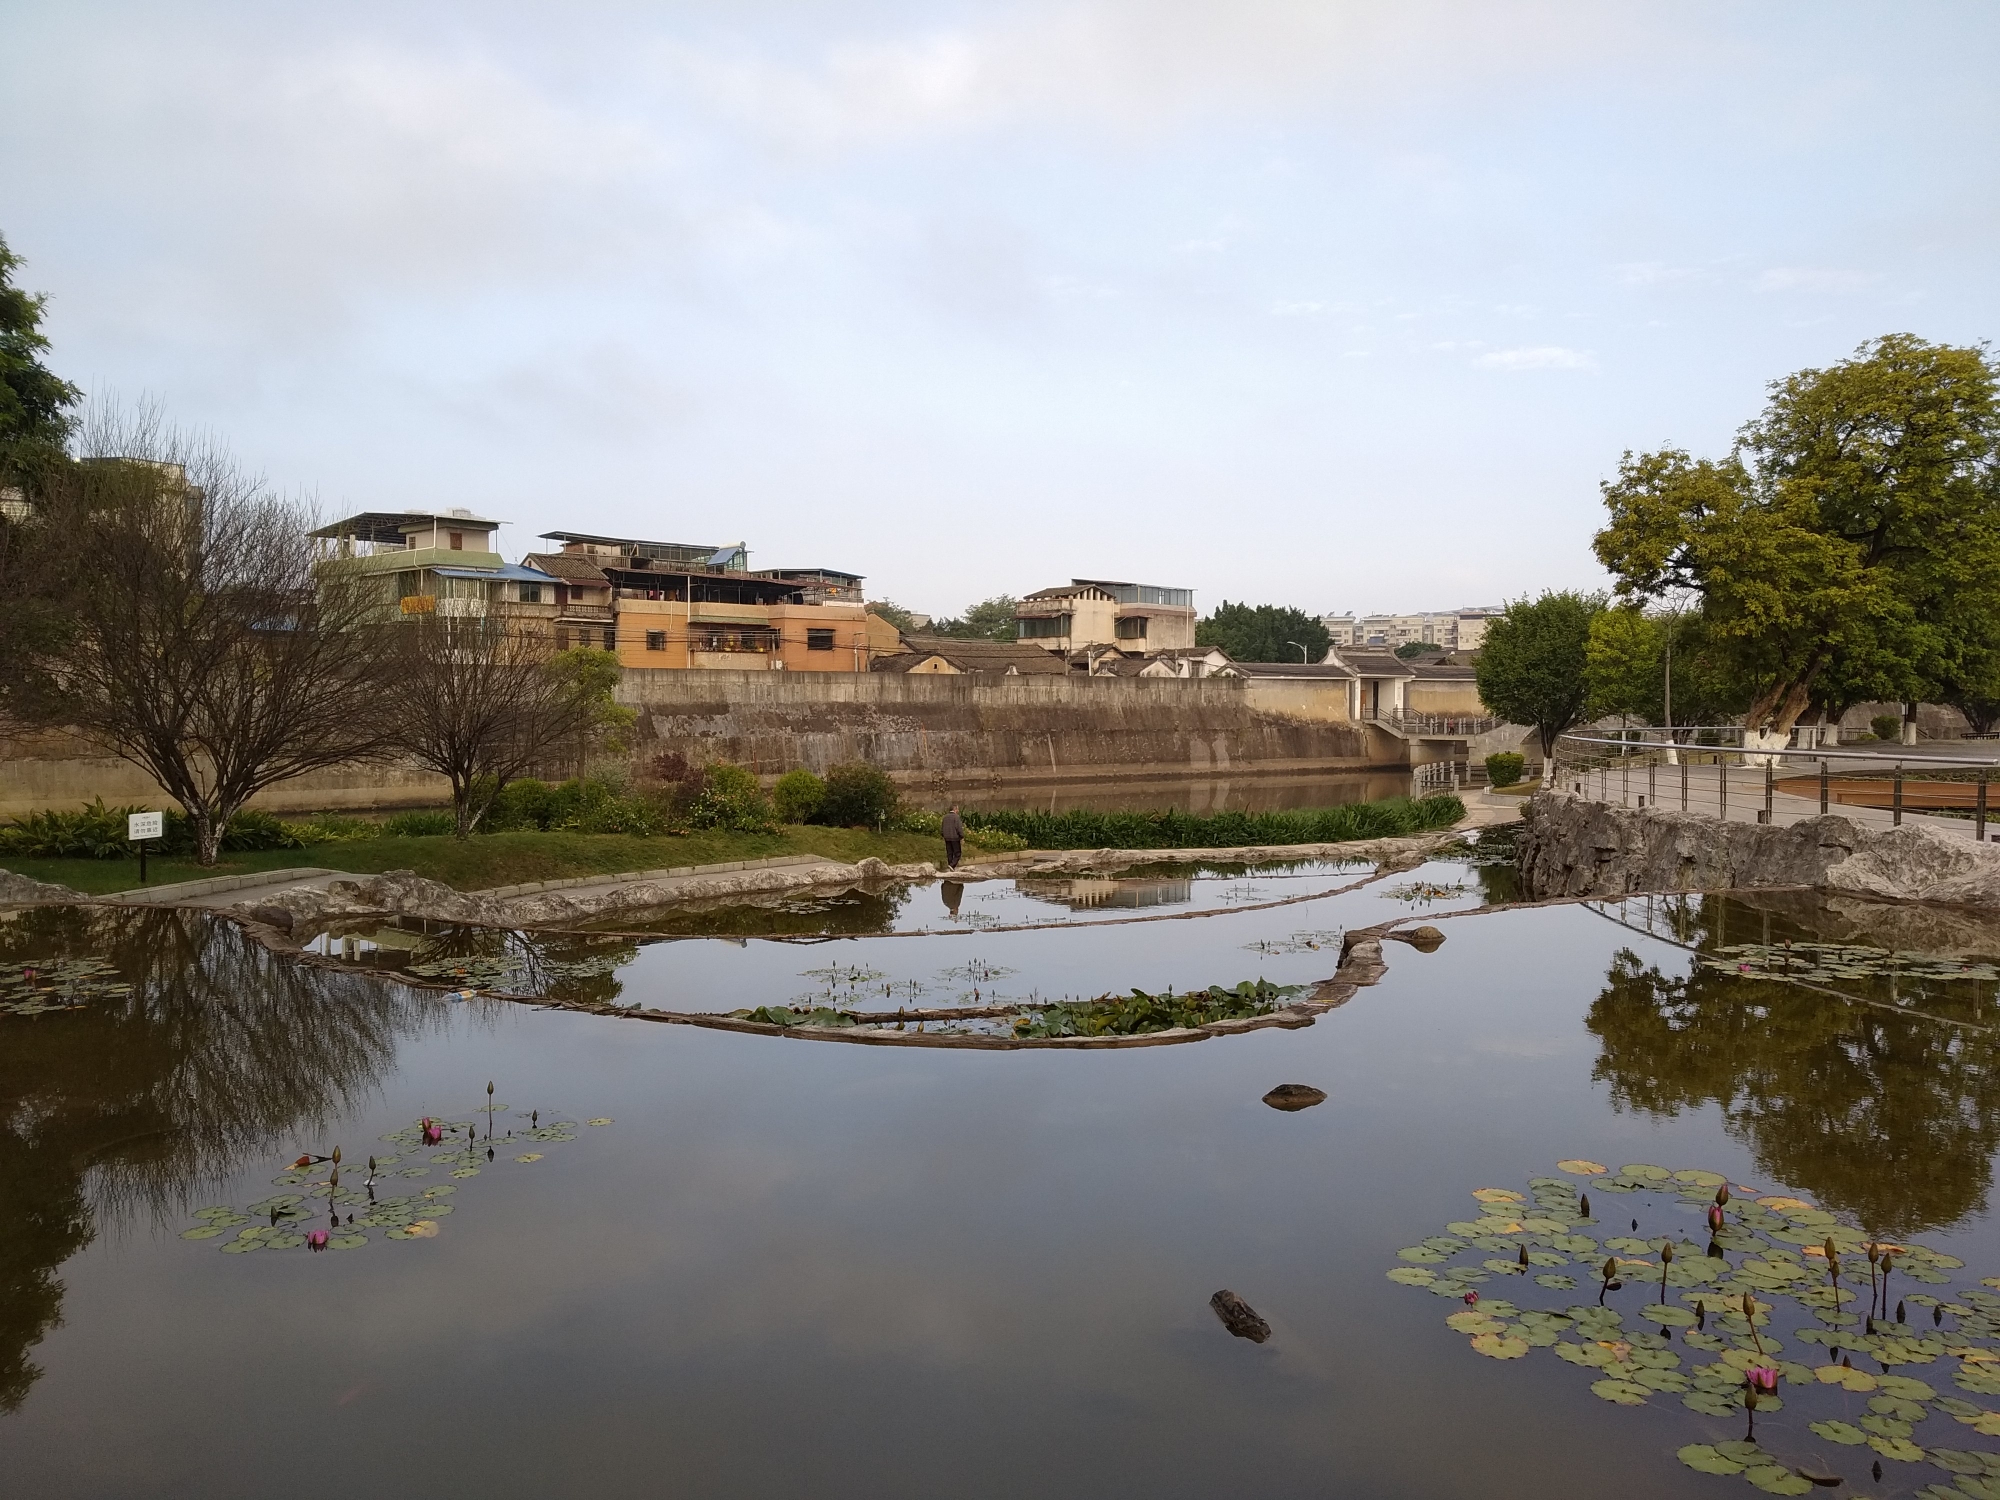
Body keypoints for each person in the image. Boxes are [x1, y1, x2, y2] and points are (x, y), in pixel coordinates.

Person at [940, 804, 964, 871]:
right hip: (955, 838)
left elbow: (942, 828)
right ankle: (952, 865)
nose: (958, 811)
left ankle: (950, 866)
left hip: (947, 838)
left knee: (949, 853)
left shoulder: (945, 817)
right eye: (957, 809)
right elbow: (958, 828)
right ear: (955, 809)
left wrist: (943, 835)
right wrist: (961, 836)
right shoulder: (956, 817)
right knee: (957, 853)